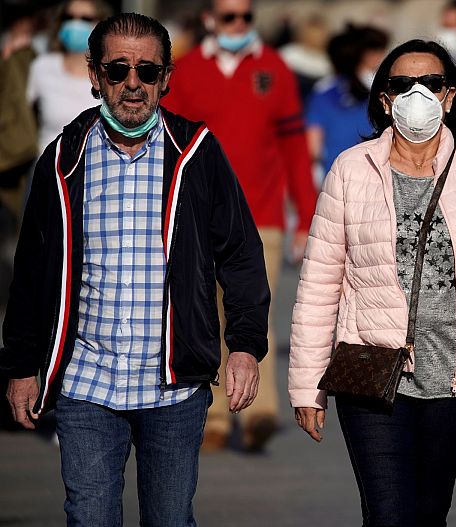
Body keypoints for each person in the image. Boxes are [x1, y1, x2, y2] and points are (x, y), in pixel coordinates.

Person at [0, 13, 268, 525]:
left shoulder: (198, 153)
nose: (132, 84)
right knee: (90, 517)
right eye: (118, 68)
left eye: (147, 71)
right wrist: (19, 366)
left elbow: (239, 253)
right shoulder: (62, 160)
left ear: (166, 78)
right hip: (86, 385)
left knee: (169, 519)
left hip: (173, 387)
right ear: (94, 74)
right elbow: (32, 273)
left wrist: (246, 347)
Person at [289, 39, 456, 527]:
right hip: (370, 372)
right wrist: (307, 386)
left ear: (450, 96)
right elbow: (318, 284)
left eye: (430, 83)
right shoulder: (351, 170)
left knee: (430, 513)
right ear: (385, 98)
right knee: (390, 514)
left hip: (455, 380)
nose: (417, 93)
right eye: (401, 84)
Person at [162, 0, 317, 452]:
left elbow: (293, 148)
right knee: (205, 316)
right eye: (230, 17)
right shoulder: (186, 71)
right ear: (211, 19)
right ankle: (211, 417)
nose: (240, 25)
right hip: (197, 217)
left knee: (254, 313)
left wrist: (306, 217)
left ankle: (258, 413)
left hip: (261, 217)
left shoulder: (275, 69)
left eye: (247, 16)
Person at [27, 0, 112, 156]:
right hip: (49, 171)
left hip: (96, 172)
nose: (75, 24)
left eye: (86, 19)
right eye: (69, 17)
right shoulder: (42, 66)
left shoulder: (112, 73)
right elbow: (18, 114)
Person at [305, 23, 388, 177]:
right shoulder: (384, 91)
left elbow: (313, 147)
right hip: (375, 177)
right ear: (368, 55)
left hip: (334, 176)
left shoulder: (323, 90)